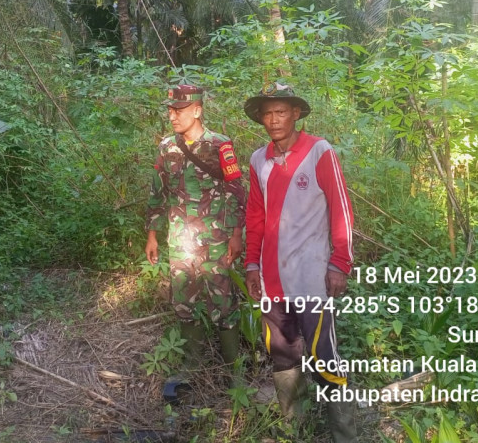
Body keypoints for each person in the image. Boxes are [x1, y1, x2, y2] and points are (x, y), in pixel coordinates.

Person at [243, 83, 357, 442]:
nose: (273, 120)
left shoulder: (319, 152)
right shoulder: (257, 160)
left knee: (325, 356)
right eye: (267, 113)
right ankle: (295, 429)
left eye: (281, 112)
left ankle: (344, 434)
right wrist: (251, 265)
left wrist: (340, 263)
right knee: (283, 357)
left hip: (311, 277)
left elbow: (341, 210)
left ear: (295, 114)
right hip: (272, 281)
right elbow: (255, 218)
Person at [145, 84, 247, 373]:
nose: (172, 116)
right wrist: (152, 234)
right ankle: (192, 365)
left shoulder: (220, 145)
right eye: (169, 111)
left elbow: (236, 190)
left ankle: (233, 370)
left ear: (197, 110)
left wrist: (236, 234)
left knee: (224, 302)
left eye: (178, 110)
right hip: (180, 239)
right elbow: (157, 192)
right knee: (183, 301)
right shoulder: (167, 147)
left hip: (216, 238)